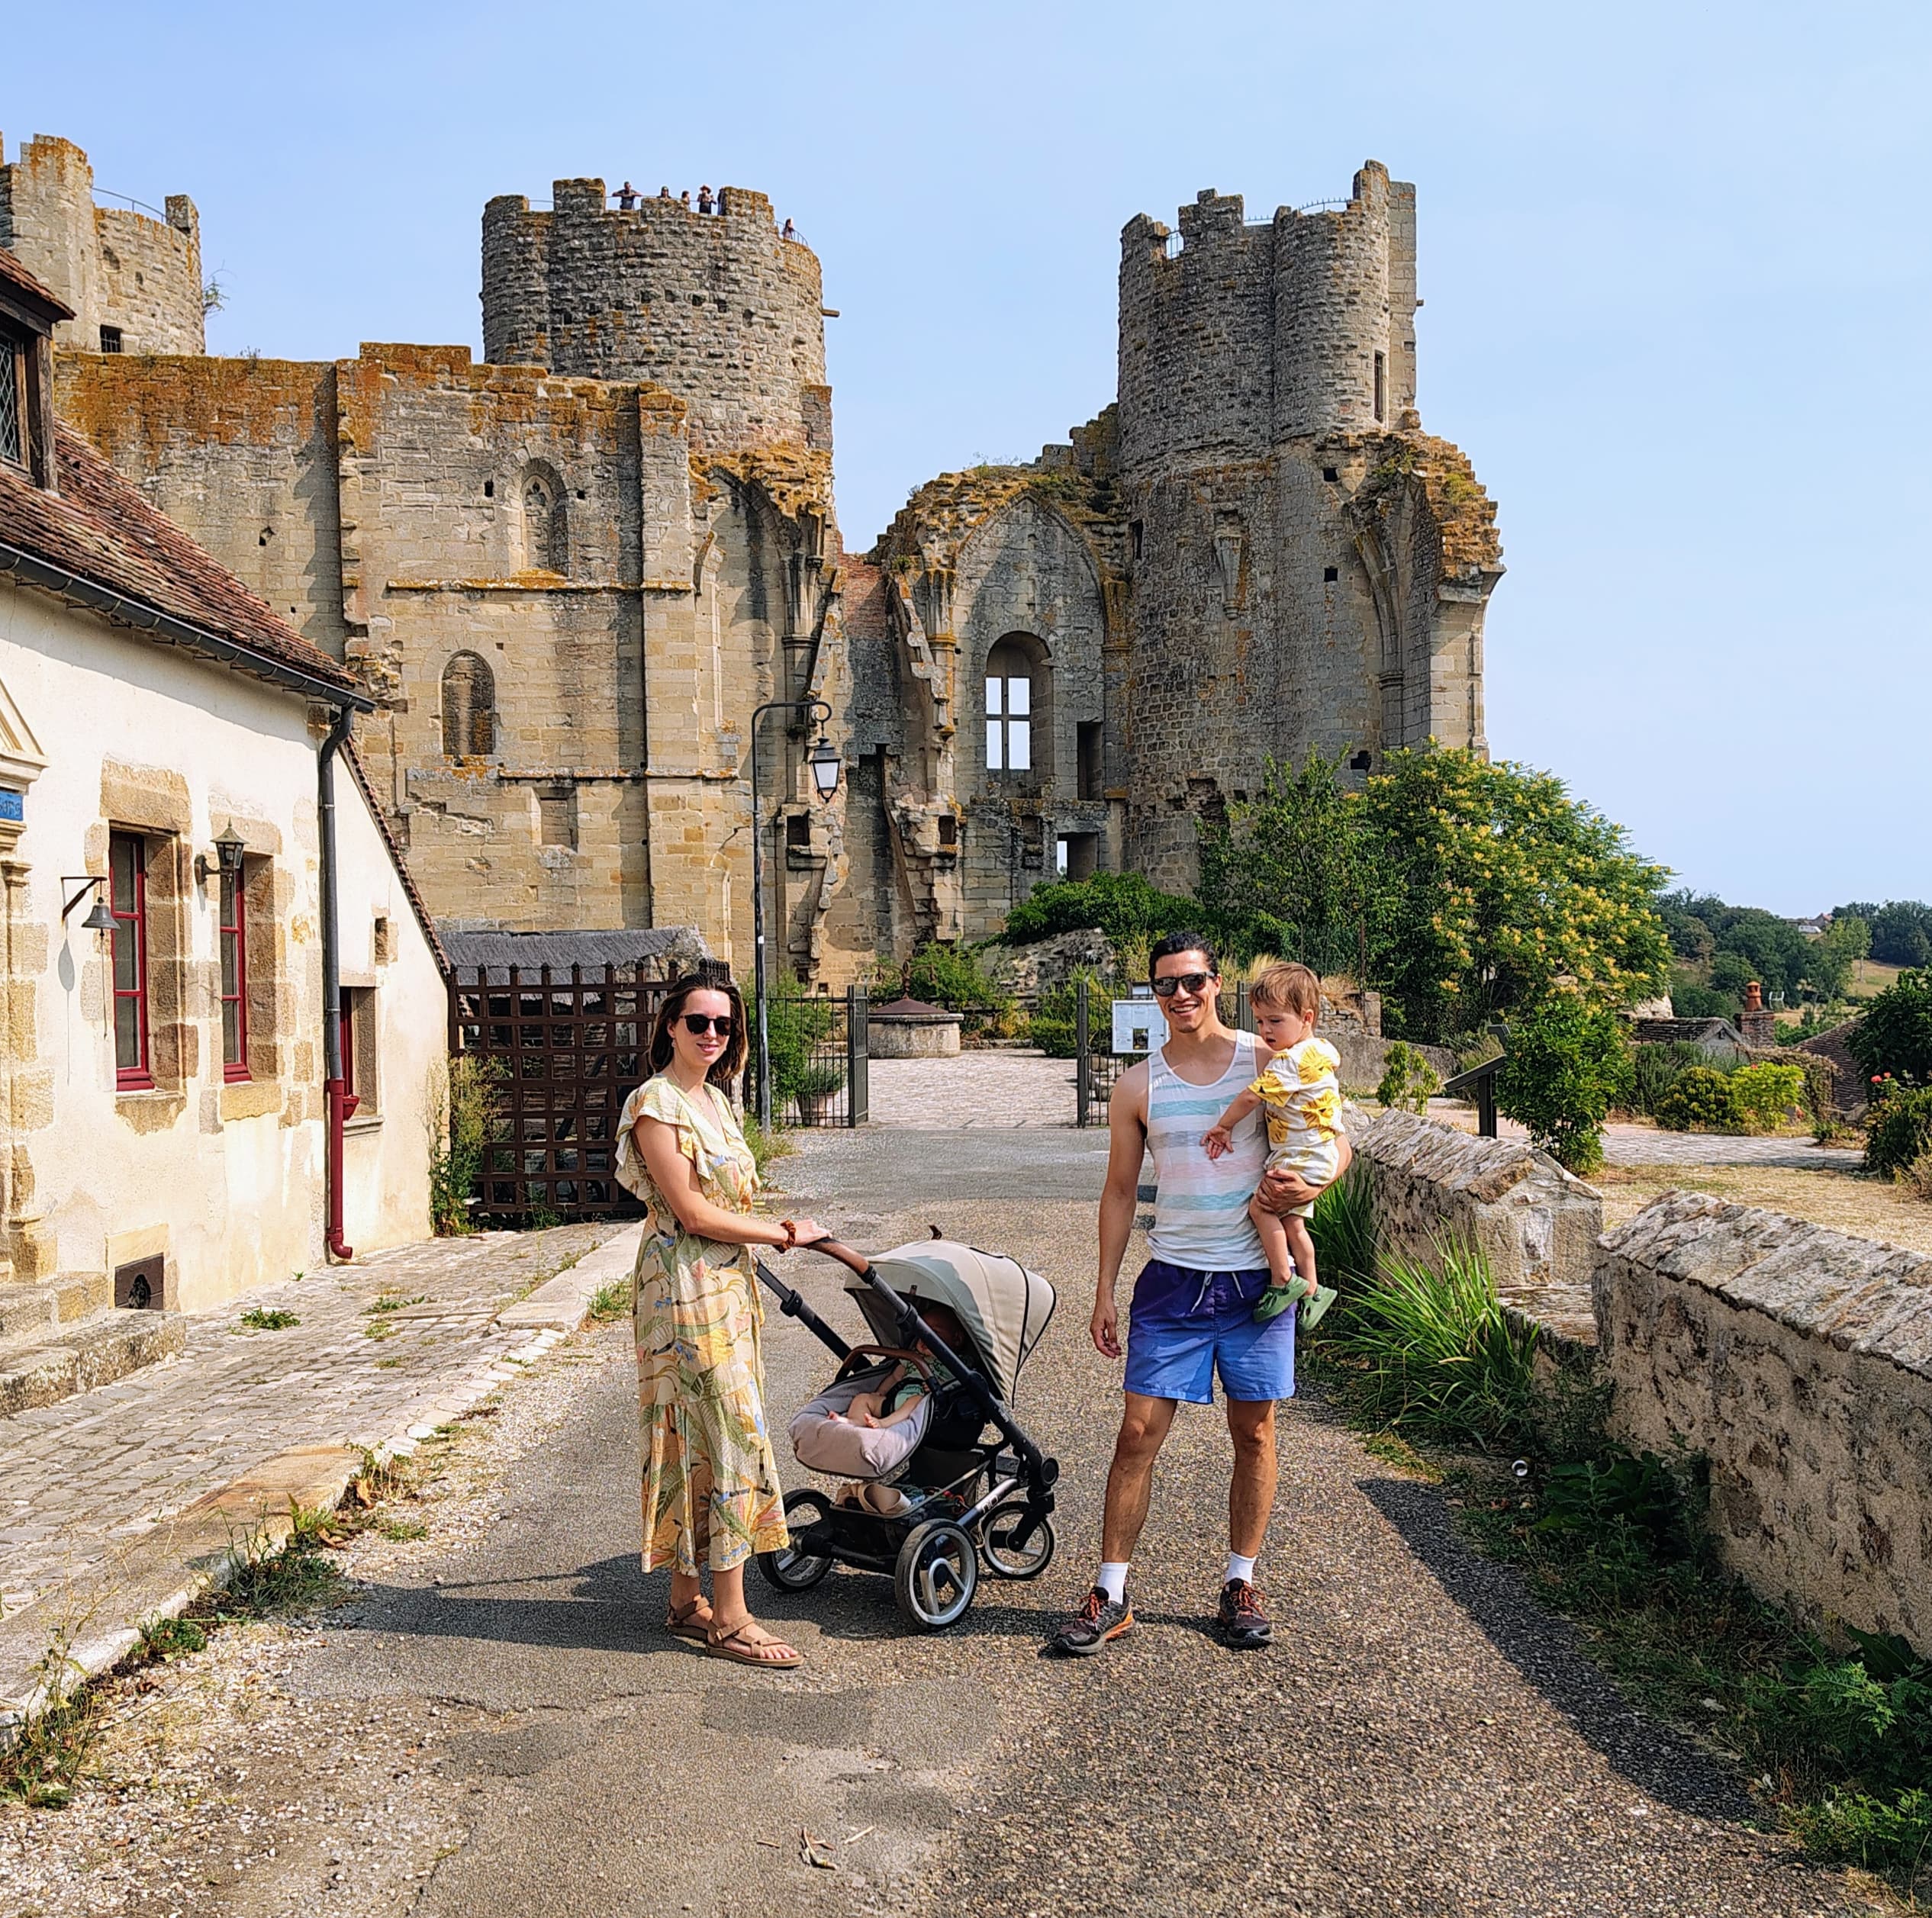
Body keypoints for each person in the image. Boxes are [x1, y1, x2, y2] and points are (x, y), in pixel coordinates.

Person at [1051, 934, 1351, 1657]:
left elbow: (1336, 1135)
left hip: (1256, 1284)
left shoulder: (1269, 1056)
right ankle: (1111, 1591)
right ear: (1153, 995)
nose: (1180, 996)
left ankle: (1240, 1581)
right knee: (1136, 1437)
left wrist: (1319, 1181)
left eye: (1192, 982)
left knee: (1254, 1434)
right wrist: (1103, 1289)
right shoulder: (1138, 1085)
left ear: (1216, 984)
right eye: (1165, 987)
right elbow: (1121, 1191)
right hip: (1174, 1281)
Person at [615, 967, 825, 1669]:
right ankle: (731, 1618)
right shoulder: (656, 1103)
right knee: (731, 1432)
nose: (711, 1034)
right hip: (681, 1288)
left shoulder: (716, 1101)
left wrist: (762, 1235)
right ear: (669, 1025)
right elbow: (693, 1213)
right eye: (698, 1022)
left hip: (726, 1286)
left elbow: (723, 1205)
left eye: (723, 1024)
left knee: (705, 1435)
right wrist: (783, 1233)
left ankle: (684, 1601)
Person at [1201, 962, 1344, 1326]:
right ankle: (1313, 1290)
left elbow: (1252, 1098)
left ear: (1306, 1016)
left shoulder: (1289, 1062)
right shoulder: (1321, 1051)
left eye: (1275, 1021)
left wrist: (1223, 1126)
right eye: (1260, 1022)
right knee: (1294, 1225)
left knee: (1260, 1209)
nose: (1265, 1031)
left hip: (1300, 1155)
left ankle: (1283, 1279)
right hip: (1320, 1152)